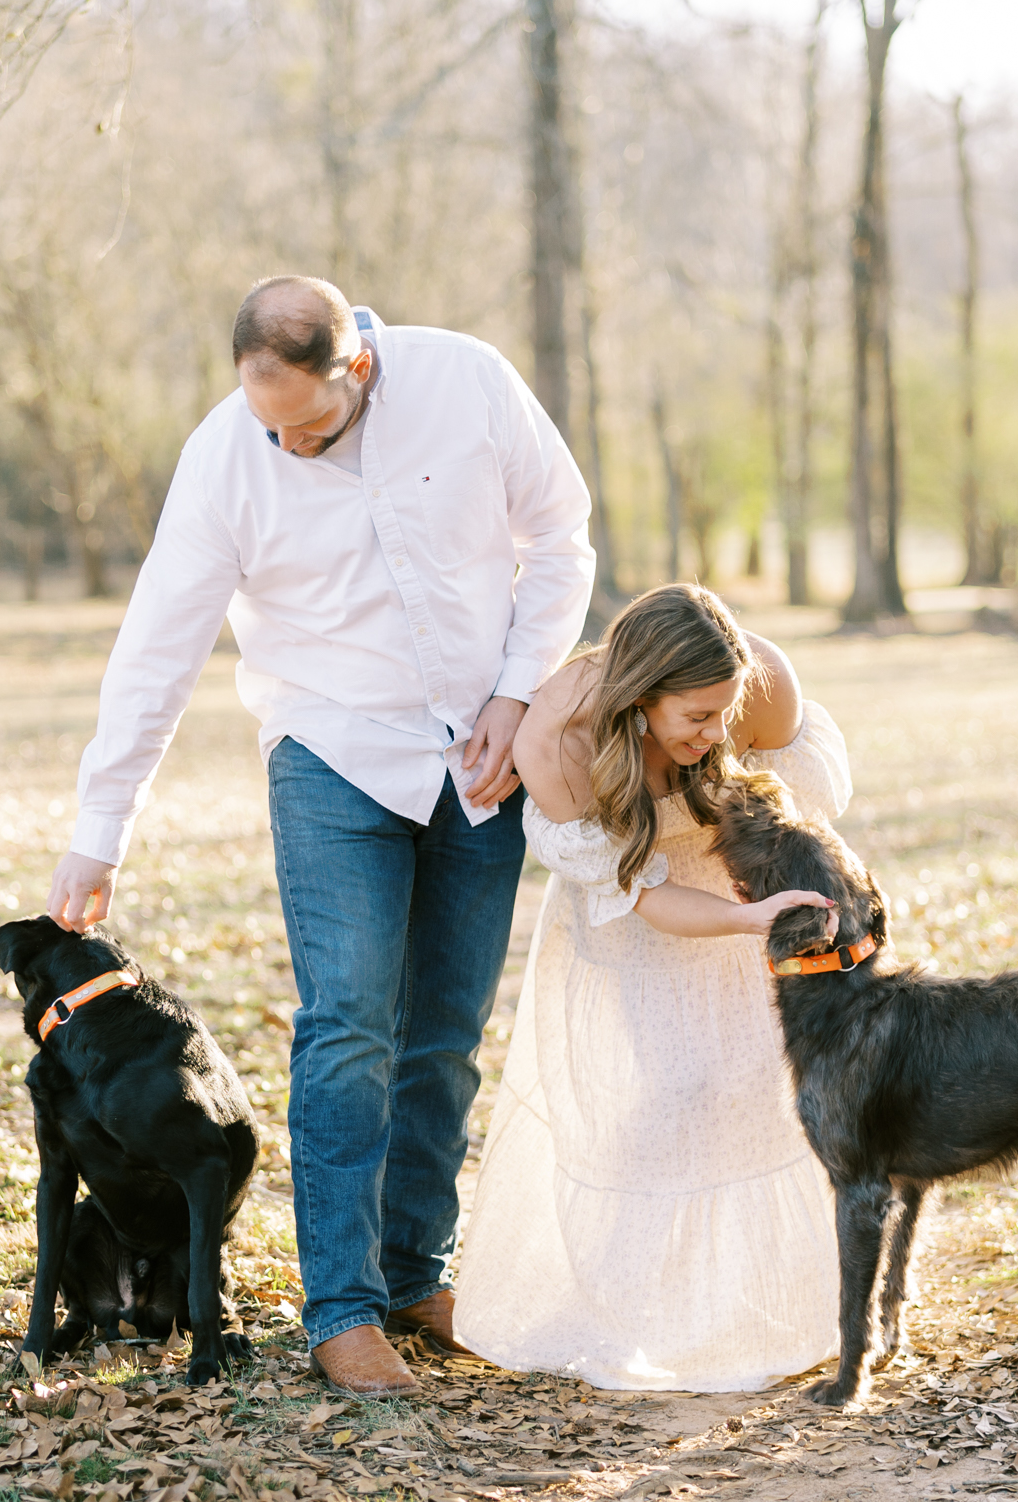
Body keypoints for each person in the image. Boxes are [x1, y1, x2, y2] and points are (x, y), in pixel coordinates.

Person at [45, 276, 594, 1396]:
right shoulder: (226, 457)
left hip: (480, 756)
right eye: (266, 422)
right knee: (348, 1026)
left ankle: (413, 1273)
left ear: (361, 368)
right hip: (332, 752)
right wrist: (99, 831)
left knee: (442, 1034)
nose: (284, 444)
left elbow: (563, 540)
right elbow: (158, 645)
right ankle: (339, 1308)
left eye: (306, 424)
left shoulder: (467, 381)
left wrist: (516, 692)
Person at [453, 584, 849, 1392]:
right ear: (640, 699)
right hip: (637, 907)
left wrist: (769, 903)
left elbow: (807, 816)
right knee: (664, 1091)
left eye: (723, 715)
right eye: (697, 718)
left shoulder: (758, 694)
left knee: (757, 1085)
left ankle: (781, 1306)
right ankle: (640, 1312)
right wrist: (746, 923)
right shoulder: (559, 743)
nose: (716, 732)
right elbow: (648, 897)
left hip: (733, 867)